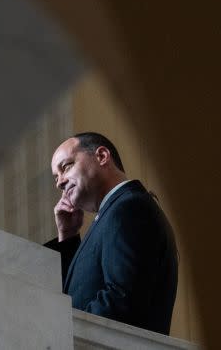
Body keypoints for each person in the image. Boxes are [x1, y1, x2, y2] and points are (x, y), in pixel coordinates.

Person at [43, 132, 178, 335]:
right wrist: (68, 236)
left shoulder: (129, 207)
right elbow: (73, 297)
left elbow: (122, 298)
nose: (59, 182)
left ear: (102, 156)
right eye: (56, 177)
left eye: (66, 166)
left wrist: (65, 334)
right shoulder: (114, 212)